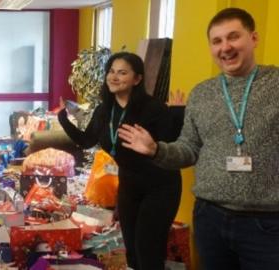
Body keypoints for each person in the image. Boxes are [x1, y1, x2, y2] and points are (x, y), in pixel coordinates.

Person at [118, 7, 279, 270]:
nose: (225, 47)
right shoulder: (202, 94)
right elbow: (189, 149)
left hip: (267, 224)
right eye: (217, 41)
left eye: (233, 37)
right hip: (210, 218)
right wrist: (156, 149)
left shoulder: (275, 84)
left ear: (254, 38)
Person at [58, 52, 182, 270]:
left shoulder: (152, 108)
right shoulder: (104, 110)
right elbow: (86, 141)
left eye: (122, 72)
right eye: (111, 71)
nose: (114, 77)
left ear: (137, 79)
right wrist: (63, 118)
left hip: (160, 186)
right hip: (129, 185)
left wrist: (178, 114)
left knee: (148, 248)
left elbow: (173, 144)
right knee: (132, 249)